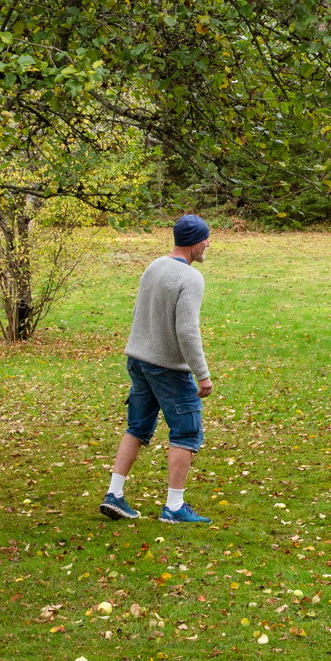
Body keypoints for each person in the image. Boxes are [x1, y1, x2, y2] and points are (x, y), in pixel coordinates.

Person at [100, 215, 215, 525]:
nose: (209, 243)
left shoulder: (154, 266)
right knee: (187, 431)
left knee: (137, 426)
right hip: (167, 368)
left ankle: (114, 494)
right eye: (205, 238)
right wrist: (202, 374)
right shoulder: (190, 278)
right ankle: (174, 508)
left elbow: (140, 311)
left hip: (138, 360)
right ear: (193, 242)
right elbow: (187, 331)